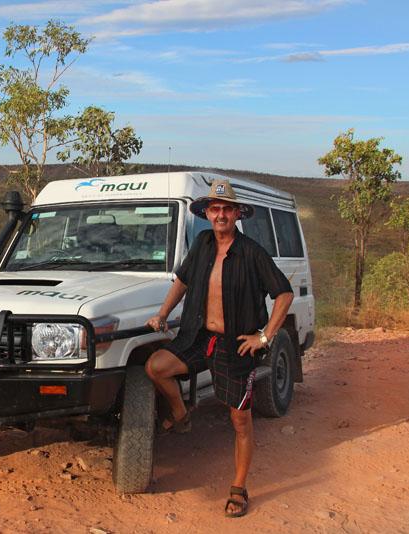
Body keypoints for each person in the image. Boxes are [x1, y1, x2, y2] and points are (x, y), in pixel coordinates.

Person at [144, 179, 294, 518]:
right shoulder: (202, 244)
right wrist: (163, 314)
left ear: (237, 214)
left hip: (235, 345)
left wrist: (264, 337)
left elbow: (284, 294)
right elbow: (183, 280)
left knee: (240, 420)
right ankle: (181, 414)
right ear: (207, 214)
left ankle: (239, 487)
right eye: (215, 209)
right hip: (198, 335)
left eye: (227, 209)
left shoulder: (252, 253)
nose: (221, 214)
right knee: (156, 367)